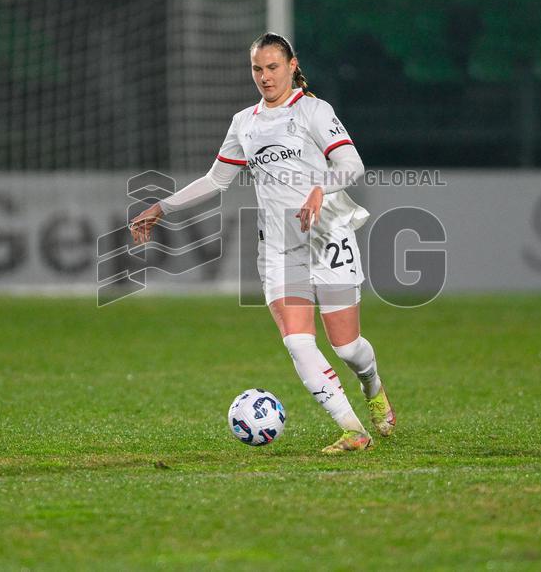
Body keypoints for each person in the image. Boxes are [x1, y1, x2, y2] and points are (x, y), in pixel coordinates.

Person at [130, 32, 395, 453]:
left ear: (292, 66)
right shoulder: (245, 123)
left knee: (347, 347)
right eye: (257, 68)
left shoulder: (313, 111)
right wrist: (162, 207)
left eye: (273, 67)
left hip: (326, 236)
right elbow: (216, 179)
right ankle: (352, 430)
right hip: (278, 246)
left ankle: (374, 388)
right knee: (296, 340)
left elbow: (351, 164)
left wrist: (318, 190)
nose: (265, 76)